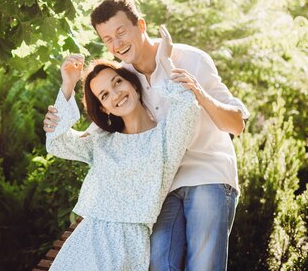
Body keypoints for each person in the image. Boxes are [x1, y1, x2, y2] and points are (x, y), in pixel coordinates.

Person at [43, 0, 250, 271]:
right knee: (158, 263)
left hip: (207, 172)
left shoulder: (189, 59)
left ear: (140, 25)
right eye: (107, 39)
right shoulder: (123, 77)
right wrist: (61, 112)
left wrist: (197, 92)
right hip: (163, 187)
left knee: (203, 265)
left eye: (121, 32)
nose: (117, 45)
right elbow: (99, 138)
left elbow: (236, 124)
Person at [45, 25, 201, 271]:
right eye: (104, 95)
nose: (115, 94)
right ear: (104, 108)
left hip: (129, 245)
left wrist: (164, 62)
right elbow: (56, 143)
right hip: (86, 241)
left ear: (134, 85)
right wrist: (68, 84)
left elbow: (187, 105)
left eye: (117, 82)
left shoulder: (165, 138)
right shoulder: (101, 141)